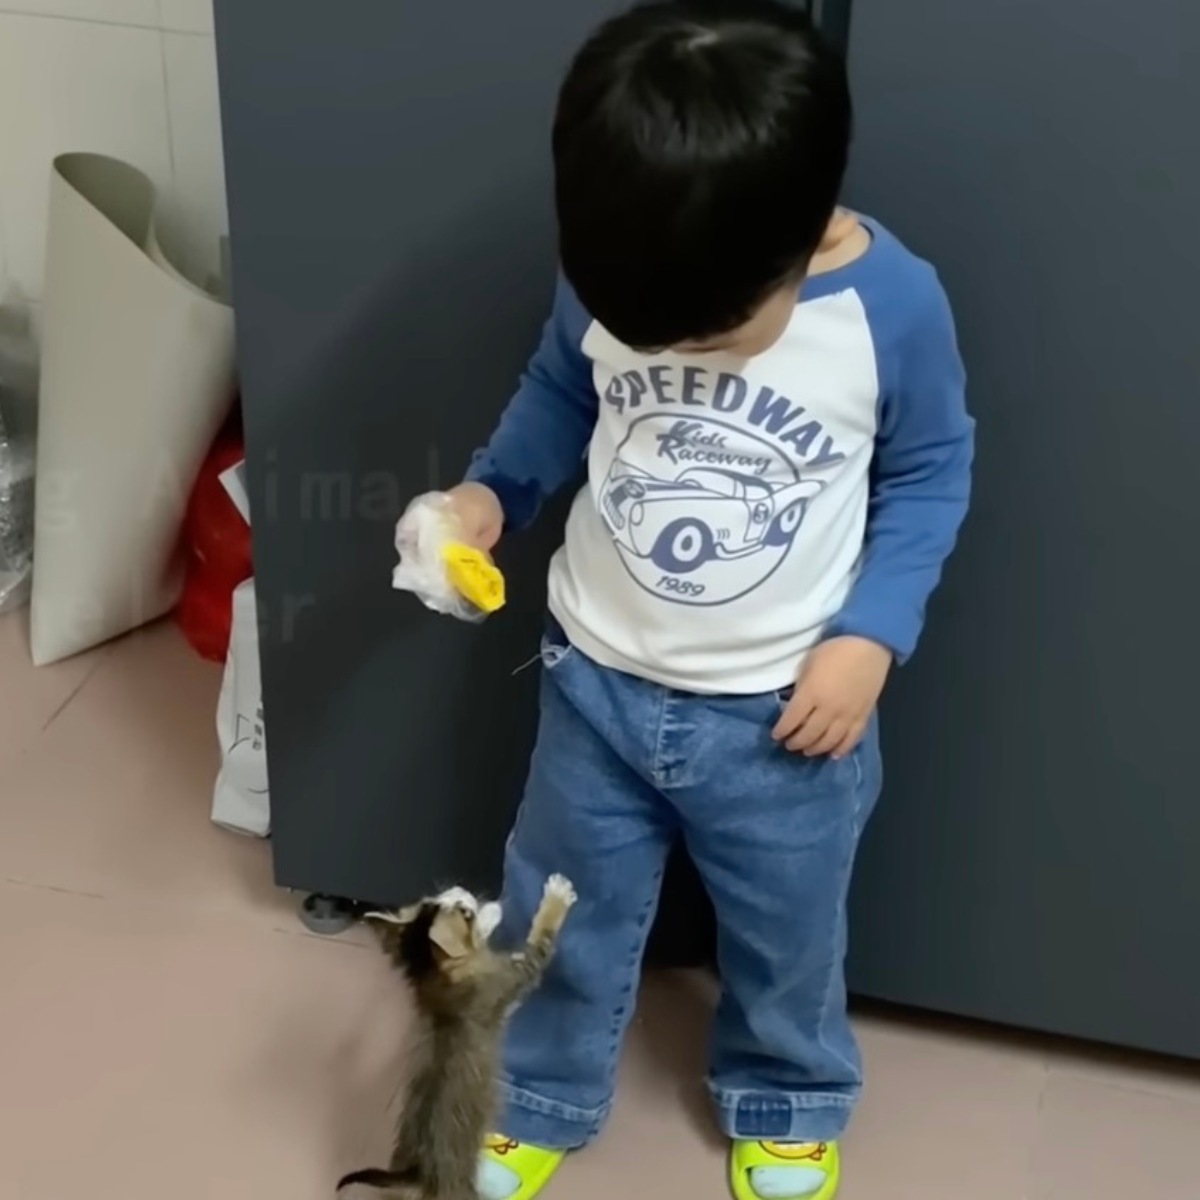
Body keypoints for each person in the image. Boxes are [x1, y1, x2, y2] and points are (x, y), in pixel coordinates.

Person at [437, 3, 974, 1197]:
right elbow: (556, 394)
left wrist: (873, 636)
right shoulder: (623, 263)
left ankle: (787, 1092)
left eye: (710, 331)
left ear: (800, 235)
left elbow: (934, 472)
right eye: (644, 327)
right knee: (555, 905)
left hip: (785, 715)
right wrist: (486, 500)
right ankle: (536, 1088)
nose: (671, 343)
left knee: (790, 934)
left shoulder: (894, 309)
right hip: (595, 679)